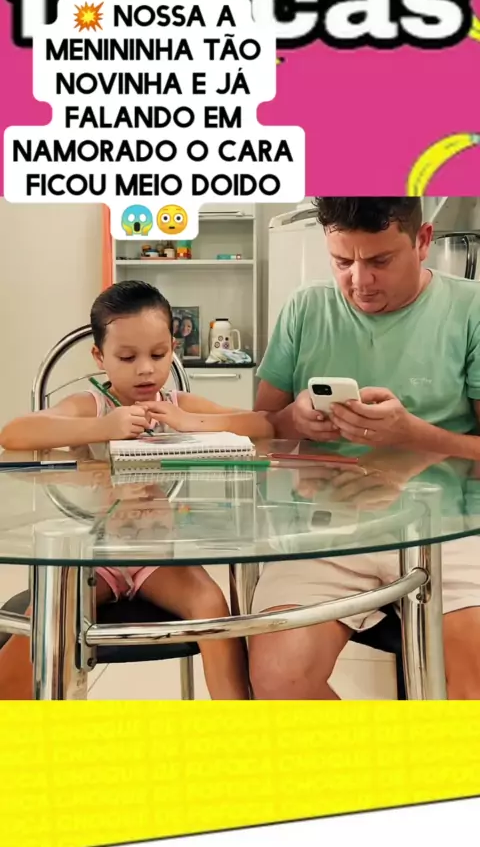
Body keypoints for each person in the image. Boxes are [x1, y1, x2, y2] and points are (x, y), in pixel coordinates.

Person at [250, 196, 480, 700]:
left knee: (473, 686)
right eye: (341, 261)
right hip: (325, 529)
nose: (359, 281)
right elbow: (262, 429)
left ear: (423, 242)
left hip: (450, 527)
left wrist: (412, 435)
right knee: (277, 678)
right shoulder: (306, 308)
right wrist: (293, 420)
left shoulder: (471, 309)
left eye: (379, 260)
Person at [0, 280, 273, 700]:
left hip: (158, 557)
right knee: (49, 614)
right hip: (97, 556)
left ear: (173, 349)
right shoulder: (92, 405)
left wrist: (191, 422)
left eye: (158, 355)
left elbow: (261, 424)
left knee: (211, 604)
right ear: (100, 357)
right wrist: (102, 428)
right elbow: (14, 433)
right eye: (127, 357)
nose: (145, 369)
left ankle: (239, 725)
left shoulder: (178, 404)